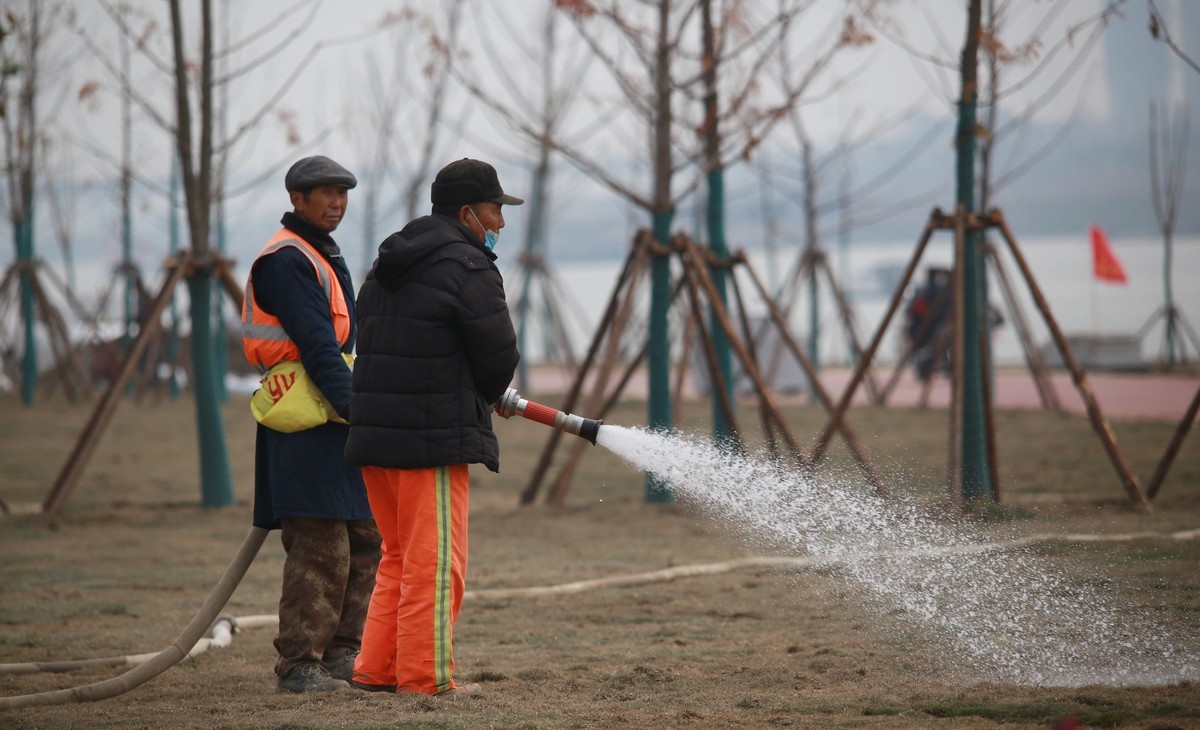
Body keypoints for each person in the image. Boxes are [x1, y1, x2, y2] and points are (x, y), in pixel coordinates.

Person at [345, 158, 521, 697]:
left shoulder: (387, 264)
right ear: (468, 213)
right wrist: (491, 390)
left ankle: (377, 669)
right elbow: (497, 356)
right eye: (495, 211)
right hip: (429, 439)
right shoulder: (468, 268)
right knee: (435, 564)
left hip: (375, 436)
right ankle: (426, 679)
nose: (501, 224)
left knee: (397, 557)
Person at [241, 155, 381, 694]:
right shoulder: (287, 260)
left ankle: (345, 656)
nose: (337, 203)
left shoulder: (323, 253)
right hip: (307, 419)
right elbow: (320, 350)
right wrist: (361, 412)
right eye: (324, 193)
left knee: (365, 538)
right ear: (297, 199)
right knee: (322, 545)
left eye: (343, 194)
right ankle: (299, 665)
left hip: (336, 415)